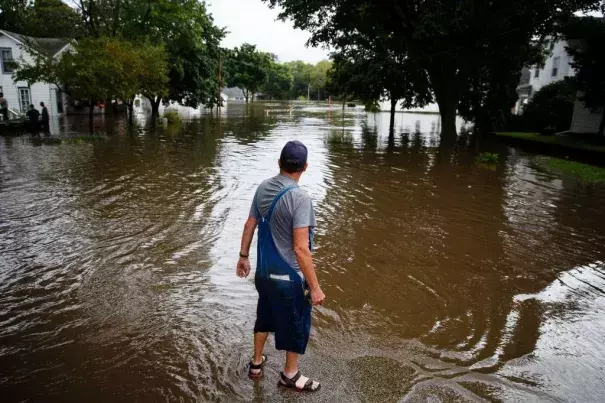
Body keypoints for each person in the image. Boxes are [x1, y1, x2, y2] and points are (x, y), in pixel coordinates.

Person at [236, 140, 325, 392]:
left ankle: (256, 364)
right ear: (305, 167)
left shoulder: (263, 188)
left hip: (263, 273)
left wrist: (243, 257)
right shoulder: (300, 198)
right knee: (296, 322)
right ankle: (290, 374)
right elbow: (300, 249)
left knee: (264, 315)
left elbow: (249, 224)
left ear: (279, 163)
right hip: (287, 278)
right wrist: (315, 287)